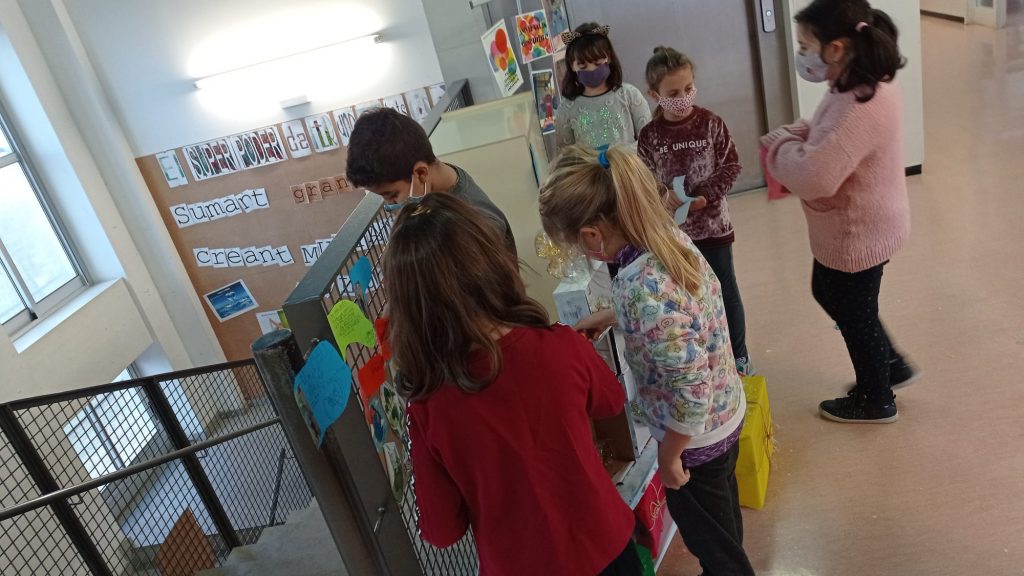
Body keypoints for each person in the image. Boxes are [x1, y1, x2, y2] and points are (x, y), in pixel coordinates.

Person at [385, 193, 641, 576]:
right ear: (493, 264)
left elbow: (441, 531)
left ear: (408, 307)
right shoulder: (560, 345)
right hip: (605, 546)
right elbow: (610, 400)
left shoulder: (426, 405)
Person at [540, 145, 755, 576]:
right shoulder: (665, 239)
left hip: (693, 444)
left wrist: (671, 458)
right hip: (726, 411)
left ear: (592, 236)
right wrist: (613, 314)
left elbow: (691, 393)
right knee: (723, 527)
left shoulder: (640, 288)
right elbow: (679, 310)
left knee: (715, 546)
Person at [762, 0, 917, 424]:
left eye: (804, 45)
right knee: (832, 294)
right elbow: (827, 137)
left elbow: (814, 175)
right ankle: (889, 365)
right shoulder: (860, 81)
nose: (800, 54)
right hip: (866, 220)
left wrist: (780, 144)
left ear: (835, 48)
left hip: (858, 230)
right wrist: (802, 135)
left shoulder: (858, 102)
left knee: (854, 311)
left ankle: (876, 398)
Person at [638, 46, 753, 376]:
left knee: (725, 290)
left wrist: (705, 195)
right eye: (673, 93)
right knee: (687, 296)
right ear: (654, 95)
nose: (683, 97)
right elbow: (644, 179)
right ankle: (703, 356)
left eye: (688, 88)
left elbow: (731, 165)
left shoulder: (710, 123)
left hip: (714, 228)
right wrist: (662, 196)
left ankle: (739, 356)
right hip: (674, 235)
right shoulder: (650, 136)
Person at [346, 107, 517, 257]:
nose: (390, 204)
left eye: (391, 194)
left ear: (421, 174)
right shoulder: (440, 185)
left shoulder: (478, 226)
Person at [555, 23, 651, 151]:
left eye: (597, 63)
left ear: (609, 58)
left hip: (627, 164)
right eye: (583, 66)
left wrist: (619, 156)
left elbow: (649, 140)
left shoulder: (629, 94)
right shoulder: (566, 109)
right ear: (572, 66)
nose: (591, 70)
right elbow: (566, 154)